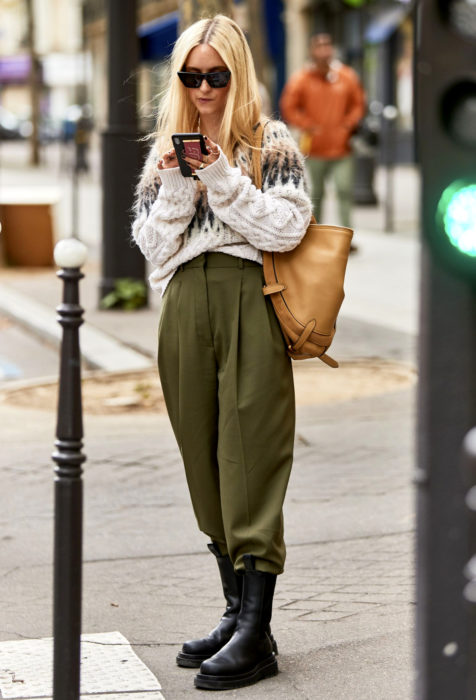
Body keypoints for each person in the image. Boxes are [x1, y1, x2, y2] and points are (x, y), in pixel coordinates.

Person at [131, 14, 312, 692]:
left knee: (252, 457)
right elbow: (151, 248)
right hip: (184, 307)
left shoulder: (271, 141)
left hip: (249, 299)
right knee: (202, 456)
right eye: (191, 76)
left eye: (216, 76)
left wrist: (224, 178)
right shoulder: (162, 151)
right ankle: (239, 616)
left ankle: (256, 633)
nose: (203, 88)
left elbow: (289, 227)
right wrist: (180, 182)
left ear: (236, 74)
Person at [280, 33, 365, 237]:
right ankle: (315, 237)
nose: (323, 50)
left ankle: (347, 236)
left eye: (327, 45)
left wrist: (347, 126)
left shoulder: (346, 76)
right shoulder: (301, 79)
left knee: (344, 190)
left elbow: (358, 104)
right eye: (319, 45)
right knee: (315, 194)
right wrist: (307, 125)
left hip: (342, 147)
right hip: (314, 148)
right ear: (311, 50)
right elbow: (288, 107)